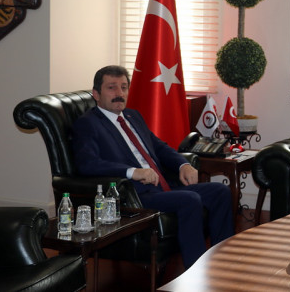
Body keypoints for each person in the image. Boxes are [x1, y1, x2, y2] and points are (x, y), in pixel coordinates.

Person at [72, 65, 234, 268]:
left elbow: (159, 147)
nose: (119, 93)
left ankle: (223, 262)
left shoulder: (132, 116)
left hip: (163, 185)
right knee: (190, 199)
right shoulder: (88, 123)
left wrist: (183, 165)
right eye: (111, 87)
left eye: (124, 87)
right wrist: (132, 172)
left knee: (220, 191)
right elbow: (88, 164)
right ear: (96, 94)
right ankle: (196, 272)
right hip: (136, 194)